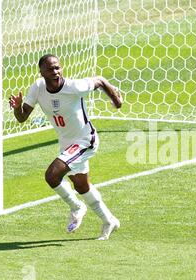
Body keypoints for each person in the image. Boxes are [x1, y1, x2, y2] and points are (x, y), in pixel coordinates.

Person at [9, 54, 122, 240]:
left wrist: (116, 101)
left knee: (52, 175)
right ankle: (109, 220)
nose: (55, 72)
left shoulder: (74, 87)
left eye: (57, 67)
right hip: (67, 143)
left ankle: (77, 207)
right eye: (50, 69)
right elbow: (22, 118)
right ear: (41, 72)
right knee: (81, 185)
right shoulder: (38, 88)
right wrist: (17, 107)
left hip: (86, 140)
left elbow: (100, 81)